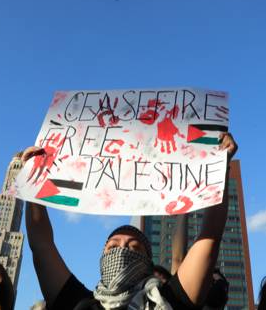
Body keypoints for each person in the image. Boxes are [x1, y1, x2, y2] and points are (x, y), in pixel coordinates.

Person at [23, 132, 238, 310]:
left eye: (134, 248)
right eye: (113, 246)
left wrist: (220, 168)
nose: (123, 250)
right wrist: (33, 181)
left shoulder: (170, 299)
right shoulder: (80, 303)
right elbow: (42, 245)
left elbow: (210, 236)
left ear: (148, 263)